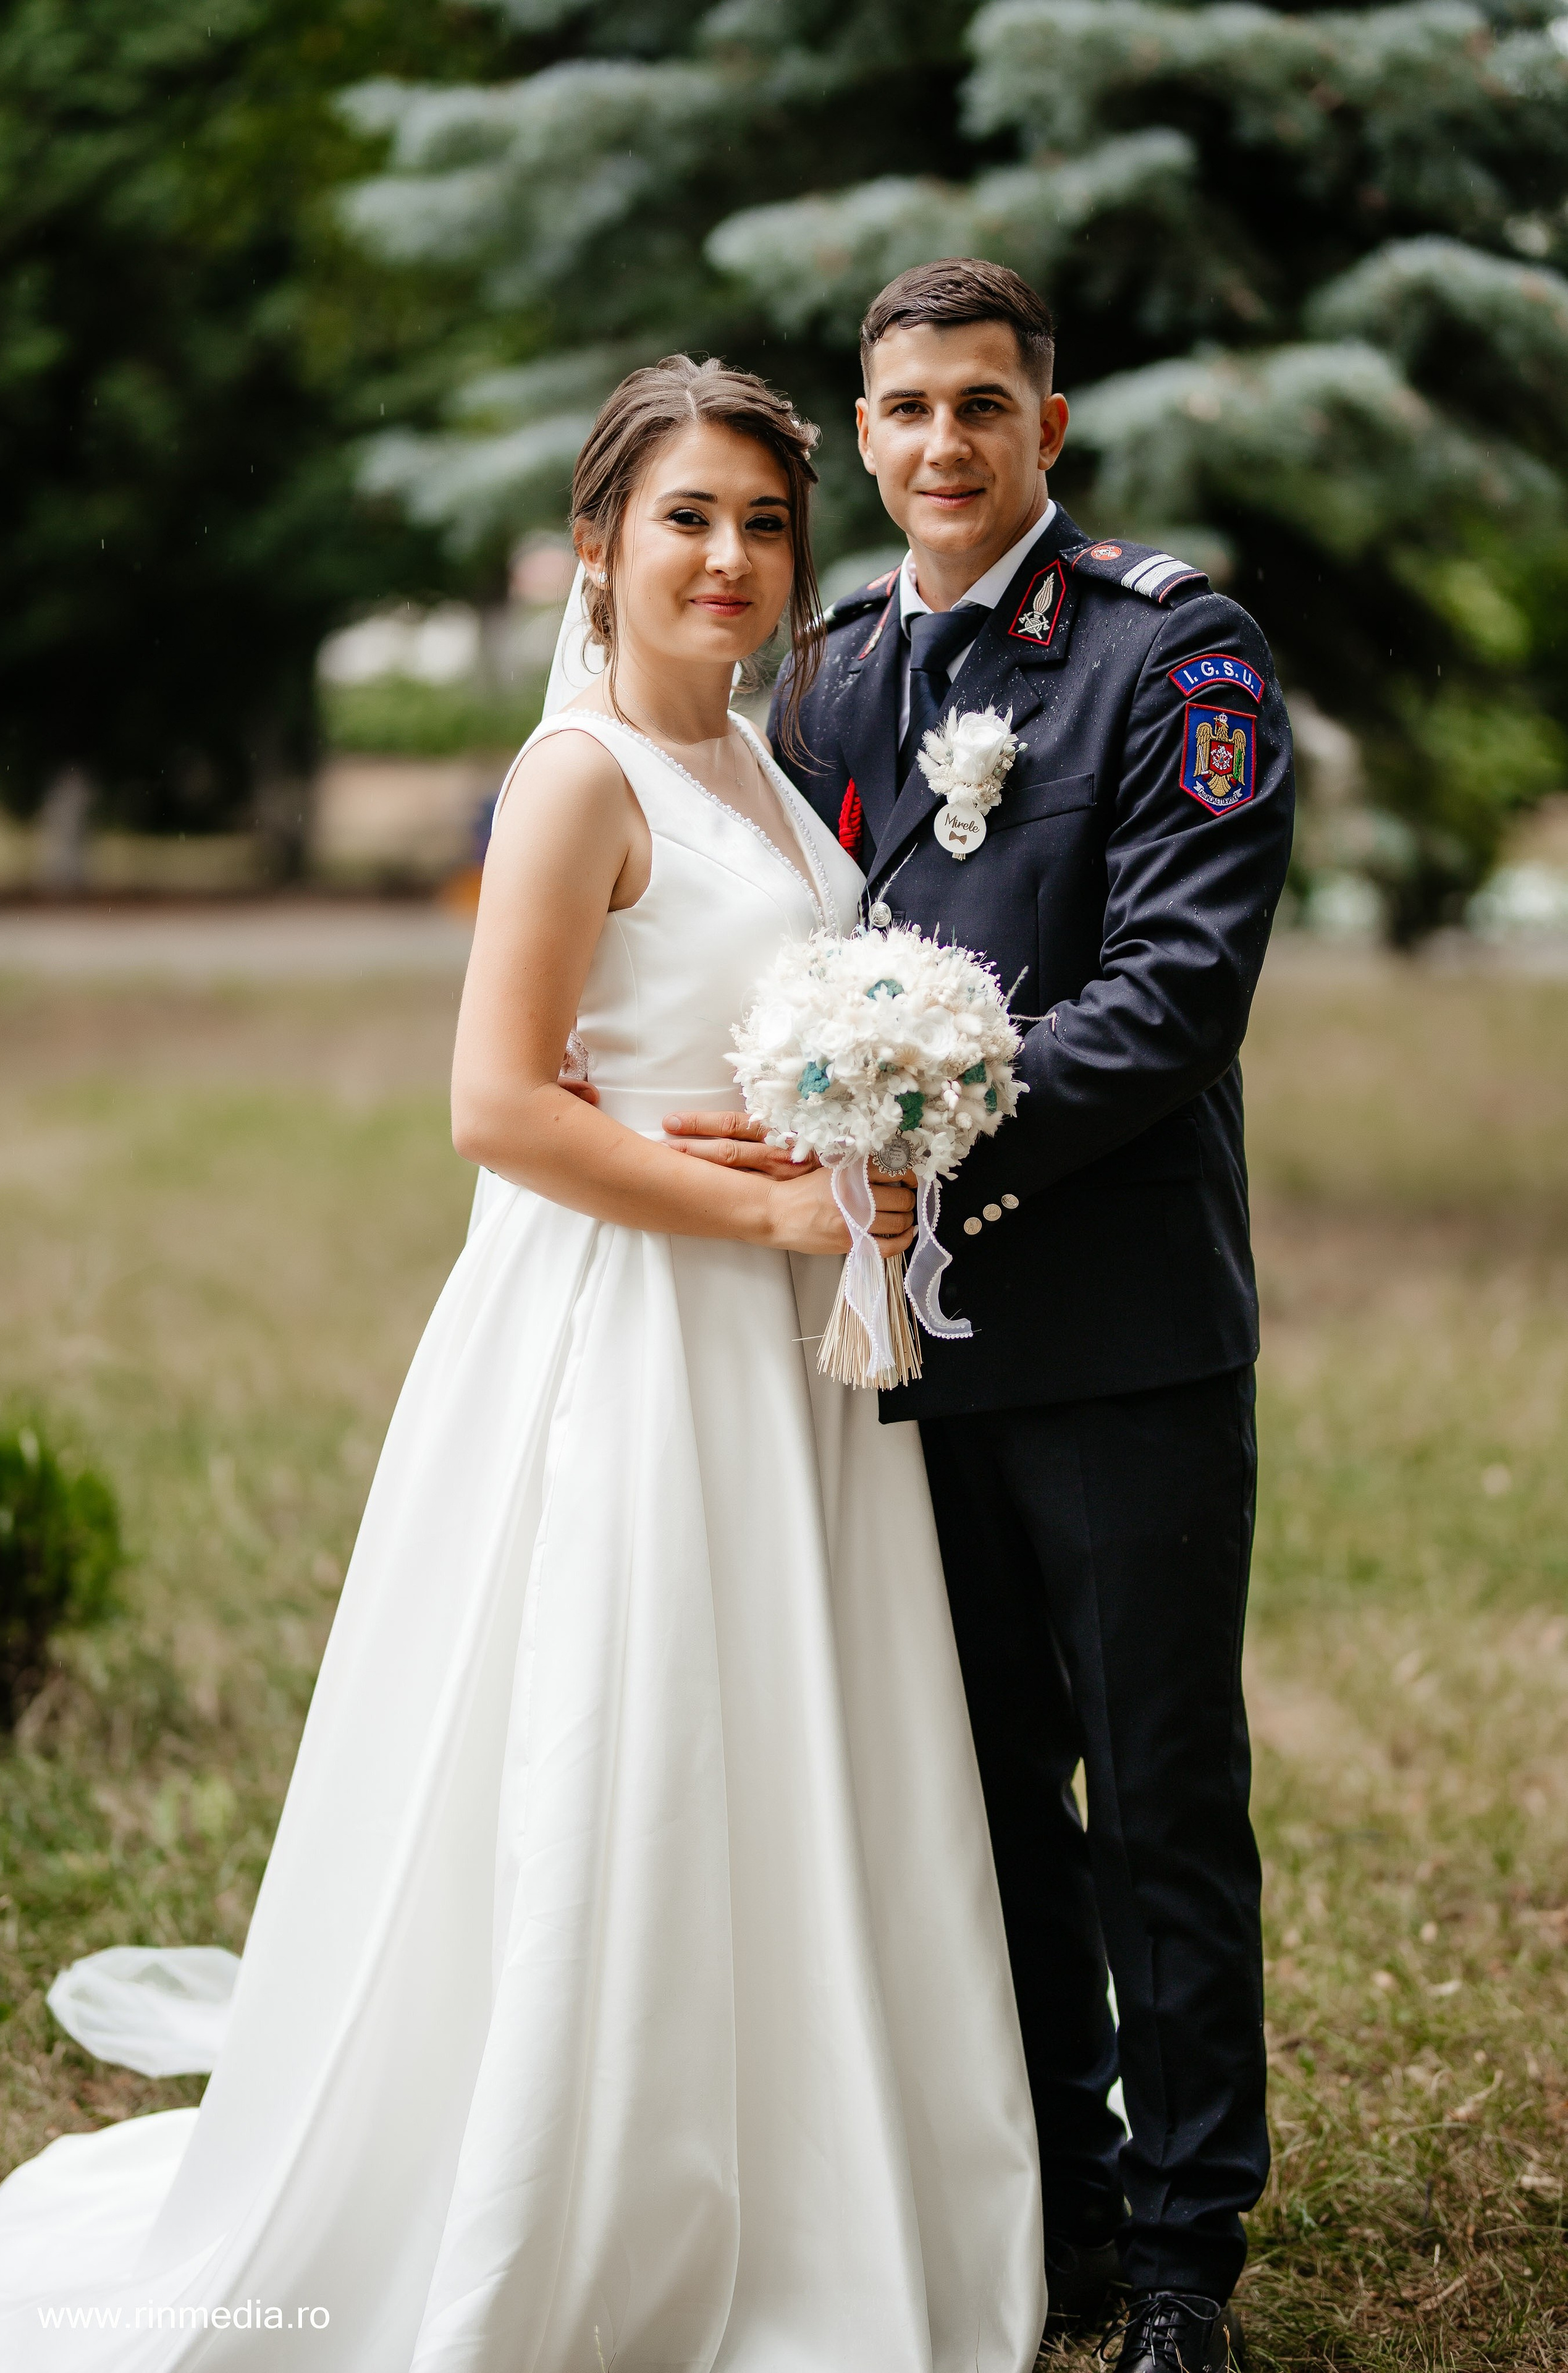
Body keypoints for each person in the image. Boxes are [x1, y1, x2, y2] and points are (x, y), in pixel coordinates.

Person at [0, 358, 1045, 2370]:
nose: (728, 559)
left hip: (783, 1354)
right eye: (684, 520)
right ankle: (595, 2194)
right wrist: (767, 1214)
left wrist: (872, 1166)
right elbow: (493, 1103)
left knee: (783, 1739)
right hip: (629, 1337)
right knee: (625, 1739)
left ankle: (814, 2163)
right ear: (596, 548)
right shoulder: (579, 779)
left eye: (758, 524)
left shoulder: (760, 762)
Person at [669, 261, 1294, 2373]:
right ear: (864, 433)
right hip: (887, 1348)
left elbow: (1176, 990)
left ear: (1051, 424)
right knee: (978, 1791)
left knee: (1159, 1789)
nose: (944, 444)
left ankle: (1194, 2256)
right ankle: (1064, 2198)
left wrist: (948, 1149)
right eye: (908, 408)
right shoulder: (834, 675)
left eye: (985, 406)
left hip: (1114, 1330)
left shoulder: (1167, 651)